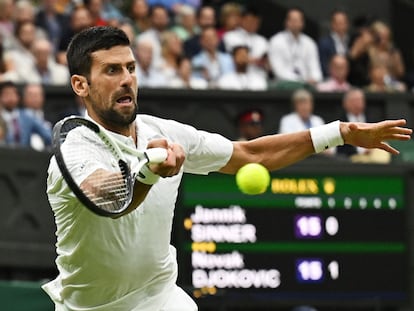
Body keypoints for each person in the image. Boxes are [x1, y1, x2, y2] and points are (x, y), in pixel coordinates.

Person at [42, 26, 412, 311]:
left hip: (161, 298)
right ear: (81, 85)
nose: (126, 79)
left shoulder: (166, 133)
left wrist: (341, 132)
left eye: (131, 68)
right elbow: (108, 197)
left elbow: (250, 156)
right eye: (111, 70)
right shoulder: (75, 147)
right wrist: (149, 171)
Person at [268, 7, 323, 86]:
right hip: (284, 85)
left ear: (302, 23)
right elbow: (278, 71)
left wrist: (315, 78)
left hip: (307, 85)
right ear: (286, 22)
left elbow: (315, 68)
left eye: (297, 20)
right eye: (292, 20)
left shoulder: (310, 43)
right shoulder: (276, 41)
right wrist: (301, 81)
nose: (295, 23)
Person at [0, 80, 51, 148]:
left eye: (13, 94)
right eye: (6, 94)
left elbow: (47, 134)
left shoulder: (27, 116)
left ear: (18, 97)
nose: (10, 98)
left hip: (25, 155)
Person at [318, 9, 350, 78]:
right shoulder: (324, 43)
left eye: (343, 22)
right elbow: (323, 66)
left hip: (349, 81)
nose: (341, 25)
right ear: (332, 24)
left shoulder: (351, 42)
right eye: (338, 23)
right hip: (331, 81)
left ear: (347, 24)